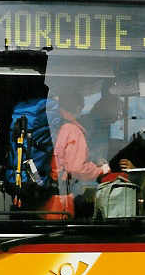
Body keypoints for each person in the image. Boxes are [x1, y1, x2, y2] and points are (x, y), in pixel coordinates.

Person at [45, 90, 110, 219]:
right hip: (63, 197)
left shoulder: (52, 126)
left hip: (46, 194)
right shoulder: (72, 130)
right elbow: (76, 168)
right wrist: (100, 170)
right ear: (79, 107)